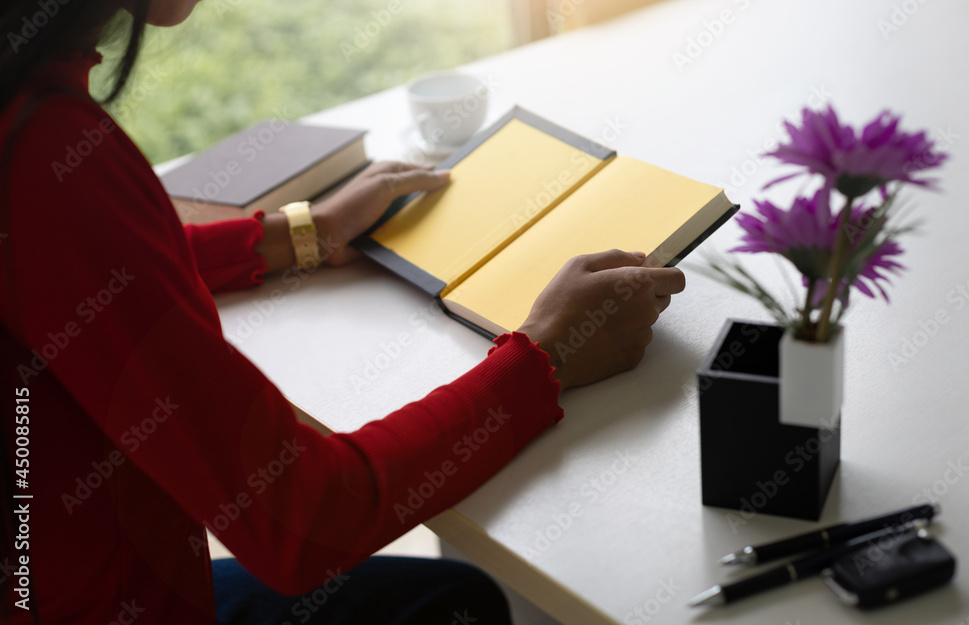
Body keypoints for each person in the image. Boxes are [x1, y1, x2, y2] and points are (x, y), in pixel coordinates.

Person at [0, 1, 685, 623]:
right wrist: (548, 354)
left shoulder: (27, 114)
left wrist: (303, 233)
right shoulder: (49, 150)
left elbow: (85, 264)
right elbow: (298, 518)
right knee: (460, 606)